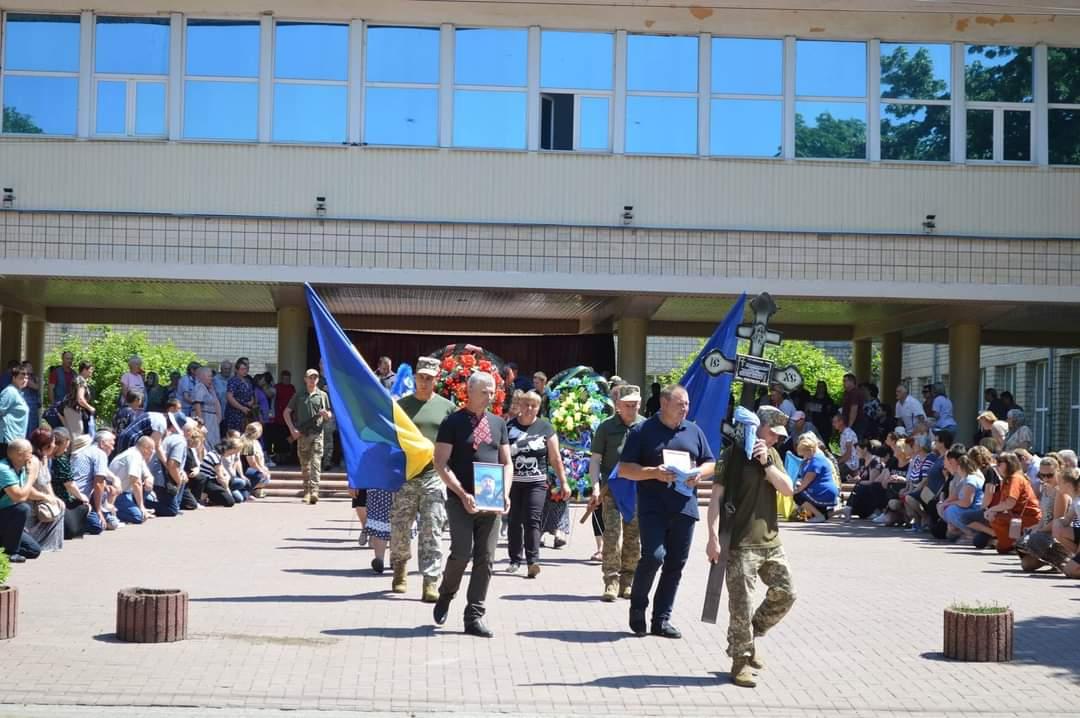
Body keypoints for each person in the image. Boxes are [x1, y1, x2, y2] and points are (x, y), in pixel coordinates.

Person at [706, 406, 796, 688]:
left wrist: (767, 463)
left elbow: (788, 489)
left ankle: (752, 634)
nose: (775, 439)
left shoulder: (772, 455)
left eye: (779, 436)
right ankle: (740, 662)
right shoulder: (731, 455)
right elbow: (716, 497)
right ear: (757, 427)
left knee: (787, 593)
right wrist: (712, 536)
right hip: (740, 542)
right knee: (741, 606)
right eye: (772, 433)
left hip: (770, 540)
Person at [619, 385, 715, 640]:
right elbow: (625, 469)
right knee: (654, 556)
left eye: (687, 404)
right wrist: (654, 473)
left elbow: (710, 462)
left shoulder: (693, 430)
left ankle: (661, 620)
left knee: (675, 565)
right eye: (680, 403)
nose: (685, 408)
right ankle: (638, 609)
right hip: (653, 507)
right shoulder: (643, 431)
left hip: (685, 508)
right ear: (663, 403)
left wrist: (698, 475)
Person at [432, 371, 511, 639]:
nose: (489, 396)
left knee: (486, 559)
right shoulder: (452, 422)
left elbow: (507, 462)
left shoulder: (498, 423)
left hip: (491, 501)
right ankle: (446, 594)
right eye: (484, 391)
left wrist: (506, 492)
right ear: (470, 391)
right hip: (460, 500)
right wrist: (462, 494)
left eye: (492, 392)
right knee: (461, 553)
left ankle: (474, 615)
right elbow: (440, 463)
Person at [387, 356, 457, 601]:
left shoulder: (447, 408)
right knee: (400, 528)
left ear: (436, 379)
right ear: (414, 378)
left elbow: (454, 443)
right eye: (421, 377)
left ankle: (430, 581)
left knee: (432, 529)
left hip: (434, 476)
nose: (424, 382)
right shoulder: (401, 406)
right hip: (405, 476)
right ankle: (400, 570)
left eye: (429, 378)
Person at [587, 383, 645, 601]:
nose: (633, 409)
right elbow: (595, 460)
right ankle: (611, 581)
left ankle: (627, 581)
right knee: (611, 536)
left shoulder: (645, 426)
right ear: (618, 405)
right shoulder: (606, 427)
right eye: (628, 405)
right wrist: (594, 486)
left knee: (633, 538)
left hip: (637, 491)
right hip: (610, 491)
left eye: (636, 405)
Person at [506, 390, 565, 579]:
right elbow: (501, 456)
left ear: (539, 408)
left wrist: (564, 482)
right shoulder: (508, 427)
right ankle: (515, 560)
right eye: (526, 404)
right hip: (513, 482)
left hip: (537, 483)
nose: (530, 408)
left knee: (532, 520)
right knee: (514, 520)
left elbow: (555, 458)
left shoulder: (545, 428)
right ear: (520, 406)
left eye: (534, 405)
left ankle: (533, 561)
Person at [968, 451, 1041, 553]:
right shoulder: (1006, 480)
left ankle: (1011, 544)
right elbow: (1005, 503)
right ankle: (1009, 543)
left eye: (1000, 464)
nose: (997, 467)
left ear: (1009, 463)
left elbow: (1010, 503)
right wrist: (993, 511)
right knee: (991, 519)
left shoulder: (1015, 478)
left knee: (996, 518)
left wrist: (992, 510)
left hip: (1029, 518)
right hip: (1016, 516)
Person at [284, 369, 332, 504]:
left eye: (315, 378)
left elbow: (329, 415)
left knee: (316, 463)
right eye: (310, 378)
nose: (312, 380)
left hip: (317, 433)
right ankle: (306, 491)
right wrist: (292, 429)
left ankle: (315, 491)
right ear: (305, 379)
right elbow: (286, 412)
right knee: (305, 465)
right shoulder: (299, 394)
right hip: (302, 435)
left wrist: (326, 415)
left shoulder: (322, 395)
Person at [0, 439, 50, 563]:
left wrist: (46, 497)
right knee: (22, 508)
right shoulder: (3, 469)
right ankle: (11, 553)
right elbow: (19, 497)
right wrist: (32, 476)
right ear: (20, 454)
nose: (32, 456)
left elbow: (27, 491)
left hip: (6, 519)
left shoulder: (20, 467)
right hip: (4, 515)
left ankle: (4, 548)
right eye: (30, 453)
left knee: (34, 551)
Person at [25, 428, 65, 552]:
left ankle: (52, 544)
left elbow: (47, 483)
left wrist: (54, 498)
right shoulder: (33, 462)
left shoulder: (45, 459)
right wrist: (46, 497)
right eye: (53, 442)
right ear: (47, 445)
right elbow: (26, 488)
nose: (55, 445)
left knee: (60, 506)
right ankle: (39, 543)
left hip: (41, 502)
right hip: (32, 507)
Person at [70, 430, 118, 534]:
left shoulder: (86, 451)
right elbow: (98, 483)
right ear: (102, 443)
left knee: (111, 522)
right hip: (79, 499)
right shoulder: (100, 454)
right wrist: (99, 510)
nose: (113, 448)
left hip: (74, 494)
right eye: (111, 444)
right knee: (98, 526)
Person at [938, 445, 985, 542]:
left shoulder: (971, 480)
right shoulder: (964, 479)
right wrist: (944, 504)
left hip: (975, 509)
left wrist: (949, 504)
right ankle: (964, 532)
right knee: (945, 508)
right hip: (967, 508)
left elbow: (966, 502)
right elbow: (954, 495)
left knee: (951, 510)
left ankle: (970, 534)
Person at [148, 417, 191, 518]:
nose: (192, 433)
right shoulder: (180, 441)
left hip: (158, 475)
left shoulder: (171, 437)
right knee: (171, 510)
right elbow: (172, 465)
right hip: (162, 479)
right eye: (189, 430)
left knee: (182, 476)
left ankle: (176, 504)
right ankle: (142, 503)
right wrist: (179, 481)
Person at [108, 436, 156, 525]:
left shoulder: (137, 454)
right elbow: (135, 482)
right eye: (152, 449)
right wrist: (141, 507)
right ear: (145, 448)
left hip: (126, 491)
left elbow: (147, 474)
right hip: (115, 493)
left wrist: (149, 478)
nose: (153, 452)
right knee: (138, 517)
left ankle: (138, 507)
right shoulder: (134, 456)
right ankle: (109, 512)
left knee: (149, 491)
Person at [793, 432, 838, 523]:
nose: (803, 456)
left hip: (823, 491)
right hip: (823, 490)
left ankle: (819, 516)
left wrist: (796, 491)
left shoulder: (816, 461)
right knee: (825, 515)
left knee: (797, 496)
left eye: (803, 453)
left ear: (808, 450)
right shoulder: (814, 458)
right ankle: (845, 511)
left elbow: (807, 481)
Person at [0, 363, 30, 454]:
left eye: (26, 378)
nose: (24, 380)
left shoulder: (18, 392)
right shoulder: (10, 392)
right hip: (7, 441)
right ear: (14, 378)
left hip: (16, 441)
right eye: (21, 378)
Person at [267, 370, 296, 465]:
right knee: (277, 439)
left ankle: (286, 457)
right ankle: (276, 456)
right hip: (278, 418)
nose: (287, 380)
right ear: (282, 378)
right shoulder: (277, 387)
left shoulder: (292, 388)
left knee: (288, 438)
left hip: (289, 419)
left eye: (288, 379)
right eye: (285, 378)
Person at [190, 367, 221, 449]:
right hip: (206, 419)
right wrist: (200, 423)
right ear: (202, 376)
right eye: (209, 376)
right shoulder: (200, 387)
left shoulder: (209, 388)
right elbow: (197, 404)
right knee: (206, 443)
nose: (211, 378)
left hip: (211, 421)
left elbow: (215, 402)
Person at [62, 361, 95, 437]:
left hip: (71, 410)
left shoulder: (77, 378)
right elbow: (80, 399)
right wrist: (90, 408)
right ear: (84, 370)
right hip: (74, 410)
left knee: (75, 434)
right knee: (77, 435)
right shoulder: (81, 380)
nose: (91, 372)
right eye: (90, 369)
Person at [225, 358, 255, 433]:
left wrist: (251, 401)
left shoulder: (248, 381)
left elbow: (251, 394)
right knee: (235, 437)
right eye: (242, 369)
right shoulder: (233, 381)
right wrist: (242, 408)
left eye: (245, 369)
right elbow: (229, 397)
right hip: (235, 414)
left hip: (246, 414)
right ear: (236, 370)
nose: (244, 371)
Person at [832, 413, 859, 481]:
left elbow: (848, 455)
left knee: (831, 471)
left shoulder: (848, 433)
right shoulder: (843, 433)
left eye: (835, 422)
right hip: (847, 462)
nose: (833, 424)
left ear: (841, 422)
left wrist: (837, 463)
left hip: (851, 464)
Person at [20, 361, 41, 439]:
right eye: (29, 366)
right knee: (28, 426)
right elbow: (36, 387)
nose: (31, 368)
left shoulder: (33, 377)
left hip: (33, 405)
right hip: (26, 403)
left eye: (31, 367)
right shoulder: (24, 378)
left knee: (34, 426)